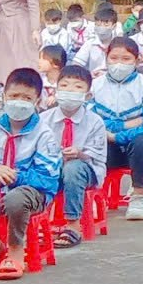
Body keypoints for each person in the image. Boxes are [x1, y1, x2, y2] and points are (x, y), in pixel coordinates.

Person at [0, 67, 60, 279]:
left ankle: (15, 249)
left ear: (37, 100)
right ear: (4, 96)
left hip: (31, 194)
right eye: (13, 96)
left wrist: (13, 176)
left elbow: (47, 179)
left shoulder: (44, 134)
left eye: (26, 97)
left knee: (16, 198)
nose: (18, 102)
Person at [90, 34, 143, 221]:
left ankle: (138, 196)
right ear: (106, 58)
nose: (119, 64)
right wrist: (129, 123)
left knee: (141, 140)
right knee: (90, 144)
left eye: (126, 59)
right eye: (114, 58)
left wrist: (116, 135)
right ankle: (93, 198)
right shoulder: (96, 86)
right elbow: (89, 123)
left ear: (136, 60)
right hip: (108, 149)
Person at [47, 63, 110, 244]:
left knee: (73, 169)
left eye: (78, 87)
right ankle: (34, 221)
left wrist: (80, 153)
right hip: (54, 167)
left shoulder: (95, 121)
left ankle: (73, 224)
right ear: (56, 90)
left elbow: (98, 152)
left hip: (86, 168)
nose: (70, 90)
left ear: (87, 95)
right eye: (65, 86)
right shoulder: (45, 119)